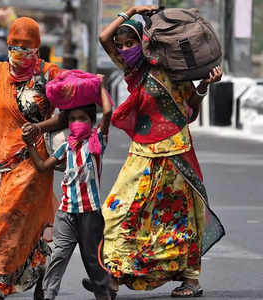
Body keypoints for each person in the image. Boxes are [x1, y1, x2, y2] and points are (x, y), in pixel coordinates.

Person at [82, 5, 225, 299]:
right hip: (142, 153)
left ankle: (190, 280)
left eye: (130, 43)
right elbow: (103, 38)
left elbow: (190, 110)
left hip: (175, 154)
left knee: (178, 217)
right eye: (121, 46)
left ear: (144, 42)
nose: (124, 49)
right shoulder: (133, 71)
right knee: (118, 210)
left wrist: (205, 86)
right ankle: (113, 274)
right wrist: (132, 10)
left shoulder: (173, 68)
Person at [0, 17, 64, 300]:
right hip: (0, 161)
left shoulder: (48, 73)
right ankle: (35, 274)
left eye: (25, 47)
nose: (18, 52)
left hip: (34, 162)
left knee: (4, 217)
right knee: (22, 223)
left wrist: (40, 128)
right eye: (13, 46)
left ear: (37, 47)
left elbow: (68, 114)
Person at [22, 75, 113, 300]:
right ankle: (48, 295)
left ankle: (103, 293)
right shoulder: (66, 148)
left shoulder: (97, 141)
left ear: (91, 122)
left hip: (89, 213)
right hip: (66, 212)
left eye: (82, 118)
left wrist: (100, 86)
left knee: (92, 259)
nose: (76, 123)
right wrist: (29, 144)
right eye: (72, 119)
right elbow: (43, 166)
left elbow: (108, 113)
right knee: (58, 255)